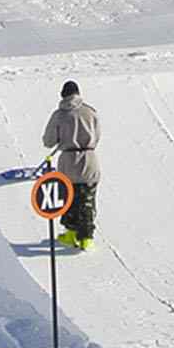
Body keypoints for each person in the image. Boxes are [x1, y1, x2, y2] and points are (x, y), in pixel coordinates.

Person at [44, 80, 101, 251]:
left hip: (68, 161)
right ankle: (86, 237)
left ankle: (70, 233)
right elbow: (97, 136)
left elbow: (49, 141)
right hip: (89, 159)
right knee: (87, 198)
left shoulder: (59, 115)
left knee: (68, 197)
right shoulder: (91, 112)